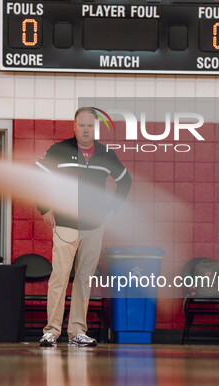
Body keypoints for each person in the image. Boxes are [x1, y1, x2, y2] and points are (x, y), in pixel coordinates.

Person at [36, 107, 132, 347]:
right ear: (74, 126)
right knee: (59, 278)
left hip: (93, 226)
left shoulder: (105, 153)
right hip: (66, 224)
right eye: (82, 125)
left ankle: (77, 332)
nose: (86, 130)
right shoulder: (60, 150)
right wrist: (44, 208)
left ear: (94, 128)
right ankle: (51, 332)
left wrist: (112, 209)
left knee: (84, 280)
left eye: (90, 126)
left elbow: (125, 180)